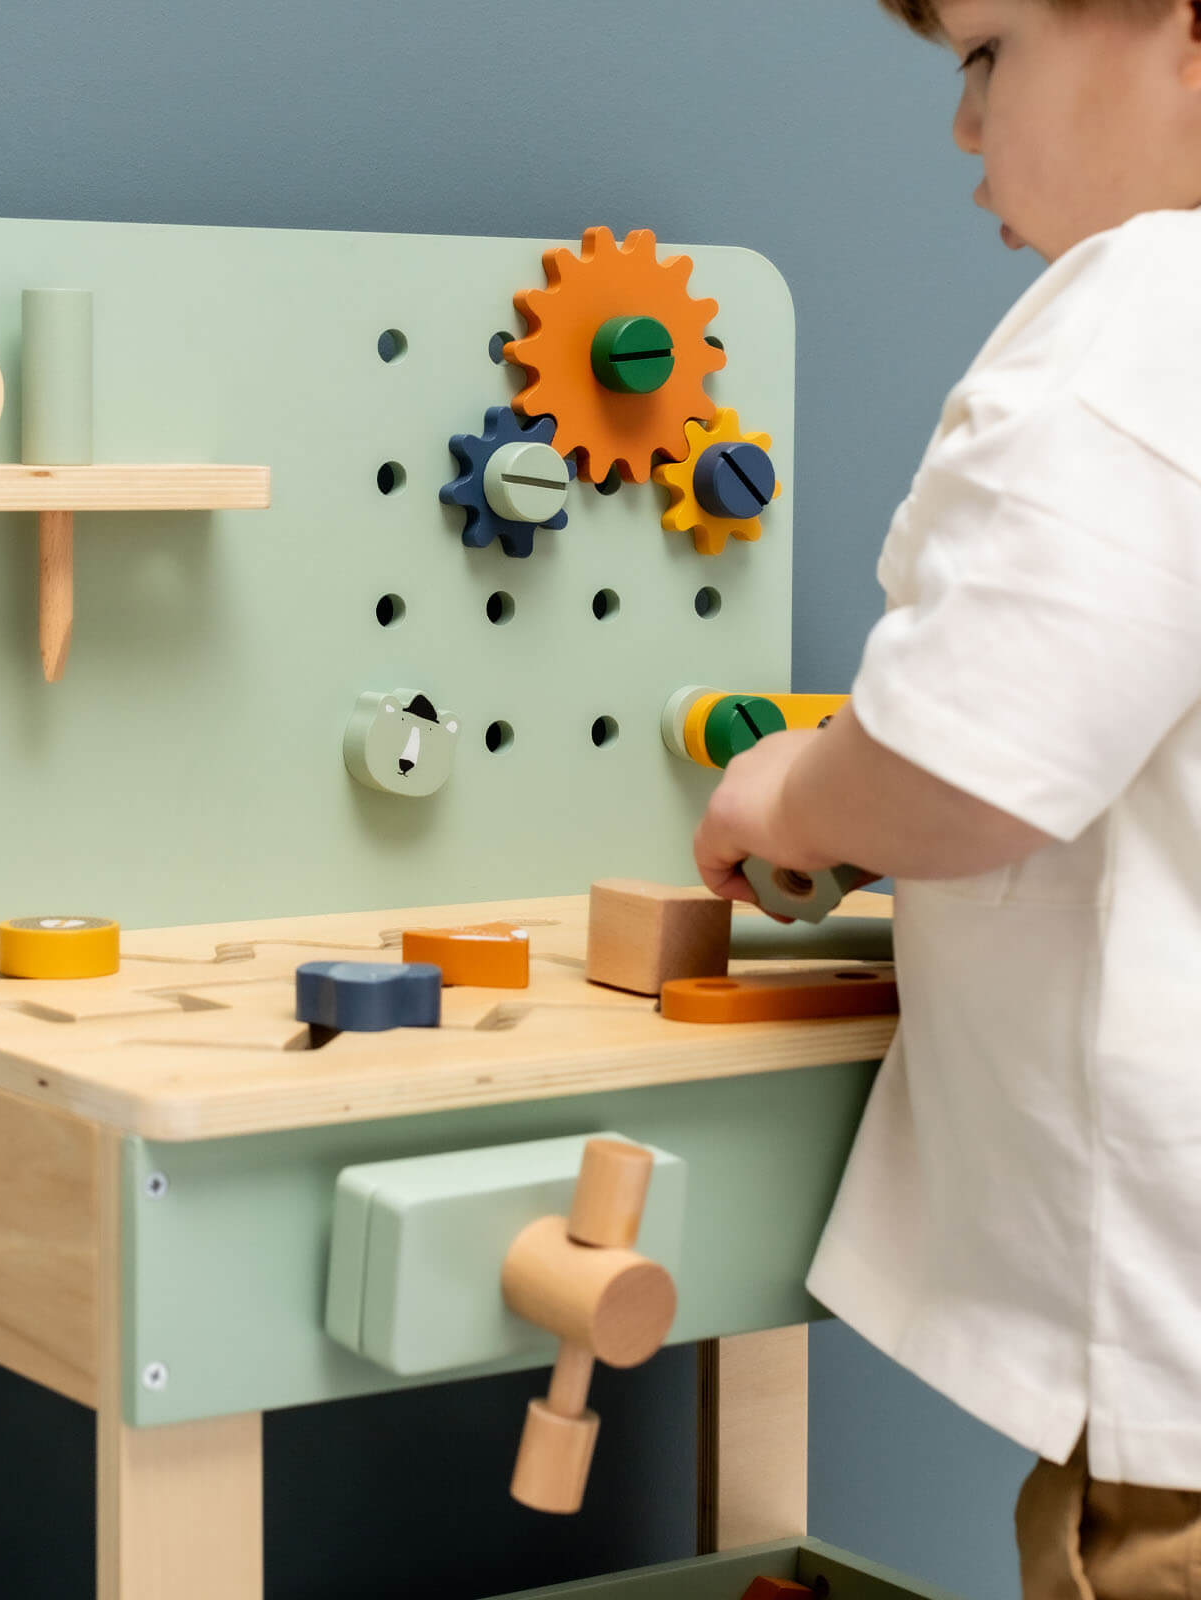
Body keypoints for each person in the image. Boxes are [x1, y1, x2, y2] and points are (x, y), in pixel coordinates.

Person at [690, 2, 1201, 1593]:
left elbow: (969, 756)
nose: (966, 127)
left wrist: (794, 796)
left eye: (990, 56)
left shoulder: (1147, 309)